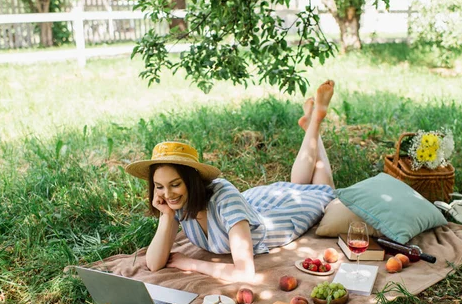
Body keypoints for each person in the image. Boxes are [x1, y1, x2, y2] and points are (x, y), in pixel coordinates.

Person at [125, 80, 337, 282]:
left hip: (275, 219)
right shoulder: (175, 204)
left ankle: (315, 121)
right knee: (299, 186)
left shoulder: (224, 200)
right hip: (253, 202)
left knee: (324, 191)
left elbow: (245, 273)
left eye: (175, 184)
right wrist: (166, 215)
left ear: (192, 181)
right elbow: (153, 264)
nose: (168, 194)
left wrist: (189, 263)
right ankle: (312, 124)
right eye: (159, 186)